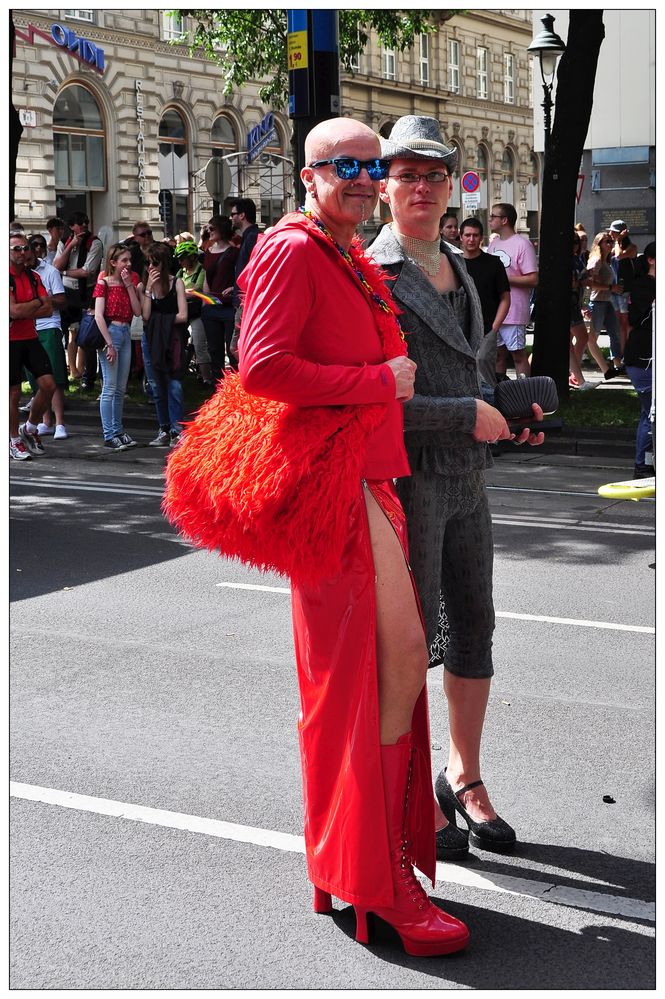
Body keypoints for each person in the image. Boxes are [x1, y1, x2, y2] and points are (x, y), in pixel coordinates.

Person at [237, 117, 469, 955]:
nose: (366, 177)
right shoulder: (293, 248)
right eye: (348, 165)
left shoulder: (333, 250)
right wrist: (376, 378)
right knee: (386, 668)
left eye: (374, 165)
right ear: (308, 175)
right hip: (335, 484)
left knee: (371, 676)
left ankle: (359, 867)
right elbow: (260, 366)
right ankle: (378, 880)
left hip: (364, 479)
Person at [369, 115, 543, 862]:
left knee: (475, 626)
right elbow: (372, 399)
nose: (420, 187)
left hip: (468, 478)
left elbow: (467, 372)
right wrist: (466, 414)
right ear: (383, 187)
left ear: (451, 186)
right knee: (410, 647)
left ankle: (461, 776)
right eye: (405, 174)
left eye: (433, 175)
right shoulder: (371, 273)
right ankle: (410, 790)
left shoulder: (460, 267)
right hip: (409, 484)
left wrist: (506, 411)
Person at [93, 243, 144, 451]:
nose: (128, 264)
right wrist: (109, 344)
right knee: (110, 387)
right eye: (124, 260)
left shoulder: (127, 283)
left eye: (129, 260)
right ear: (113, 262)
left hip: (125, 331)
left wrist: (128, 285)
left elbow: (138, 311)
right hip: (111, 332)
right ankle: (109, 434)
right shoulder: (103, 283)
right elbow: (98, 315)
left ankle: (118, 430)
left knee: (120, 388)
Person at [9, 231, 56, 460]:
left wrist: (28, 306)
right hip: (9, 341)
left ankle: (28, 428)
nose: (22, 253)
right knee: (13, 392)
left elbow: (48, 308)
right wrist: (35, 304)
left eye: (25, 248)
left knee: (49, 385)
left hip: (29, 337)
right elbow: (13, 311)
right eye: (16, 249)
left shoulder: (33, 277)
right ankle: (13, 440)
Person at [142, 242, 189, 447]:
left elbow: (183, 315)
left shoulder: (176, 283)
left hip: (173, 339)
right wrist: (148, 290)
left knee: (174, 385)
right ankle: (163, 428)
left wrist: (160, 320)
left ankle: (177, 430)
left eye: (155, 263)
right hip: (151, 340)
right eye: (147, 263)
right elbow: (144, 316)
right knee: (156, 386)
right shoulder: (146, 287)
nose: (150, 267)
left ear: (164, 263)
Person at [487, 203, 538, 378]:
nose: (490, 219)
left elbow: (533, 279)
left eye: (493, 216)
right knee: (498, 354)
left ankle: (525, 393)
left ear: (504, 220)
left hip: (514, 311)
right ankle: (499, 393)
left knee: (517, 354)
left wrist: (503, 279)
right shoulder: (493, 244)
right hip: (495, 311)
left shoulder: (522, 244)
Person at [53, 212, 104, 389]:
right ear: (72, 227)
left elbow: (87, 271)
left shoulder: (94, 242)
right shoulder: (65, 241)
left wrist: (65, 272)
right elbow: (56, 266)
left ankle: (88, 378)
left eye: (85, 223)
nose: (83, 226)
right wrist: (71, 246)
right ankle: (63, 377)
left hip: (86, 292)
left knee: (87, 335)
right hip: (66, 292)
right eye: (79, 224)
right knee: (64, 333)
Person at [458, 217, 510, 388]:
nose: (471, 239)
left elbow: (505, 298)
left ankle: (492, 409)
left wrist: (494, 328)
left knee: (484, 374)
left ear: (481, 238)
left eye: (475, 235)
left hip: (487, 329)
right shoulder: (453, 263)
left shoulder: (494, 264)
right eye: (467, 235)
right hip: (459, 329)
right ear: (461, 237)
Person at [25, 235, 70, 437]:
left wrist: (42, 301)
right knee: (36, 378)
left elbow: (61, 299)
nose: (33, 250)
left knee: (55, 375)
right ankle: (45, 421)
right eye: (29, 246)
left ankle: (59, 423)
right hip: (27, 328)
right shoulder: (17, 274)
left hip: (48, 326)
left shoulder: (50, 271)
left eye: (37, 246)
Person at [624, 241, 655, 478]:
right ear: (652, 261)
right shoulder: (644, 286)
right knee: (651, 412)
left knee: (650, 413)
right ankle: (643, 465)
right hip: (643, 359)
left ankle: (646, 464)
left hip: (647, 357)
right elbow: (639, 319)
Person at [200, 215, 238, 379]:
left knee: (232, 349)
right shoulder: (208, 252)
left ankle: (235, 389)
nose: (209, 231)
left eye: (212, 228)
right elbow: (207, 279)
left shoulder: (234, 252)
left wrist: (234, 288)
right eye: (208, 228)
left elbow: (242, 276)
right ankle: (216, 389)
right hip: (211, 307)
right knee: (214, 350)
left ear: (222, 229)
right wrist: (205, 304)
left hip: (229, 307)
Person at [174, 239, 212, 386]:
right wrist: (187, 292)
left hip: (196, 313)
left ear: (192, 257)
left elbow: (198, 290)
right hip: (183, 311)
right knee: (180, 342)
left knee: (199, 343)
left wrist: (183, 292)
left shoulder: (201, 271)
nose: (180, 262)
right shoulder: (180, 272)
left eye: (182, 258)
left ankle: (207, 379)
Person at [586, 232, 624, 377]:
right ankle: (600, 367)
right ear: (599, 244)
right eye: (606, 241)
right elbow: (590, 284)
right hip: (596, 303)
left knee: (615, 332)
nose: (610, 244)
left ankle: (617, 364)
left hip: (606, 302)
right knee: (591, 337)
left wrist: (619, 238)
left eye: (611, 241)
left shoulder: (606, 261)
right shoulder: (596, 261)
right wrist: (610, 288)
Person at [568, 230, 596, 391]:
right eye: (573, 242)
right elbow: (574, 283)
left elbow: (581, 281)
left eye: (577, 242)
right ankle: (578, 378)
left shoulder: (577, 259)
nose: (575, 245)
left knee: (577, 340)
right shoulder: (569, 260)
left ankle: (576, 377)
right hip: (568, 305)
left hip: (574, 304)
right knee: (579, 338)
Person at [608, 219, 638, 354]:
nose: (610, 234)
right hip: (614, 289)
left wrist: (618, 240)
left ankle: (629, 352)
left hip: (625, 290)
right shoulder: (615, 246)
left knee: (626, 323)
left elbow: (619, 256)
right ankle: (622, 354)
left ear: (621, 233)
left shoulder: (631, 247)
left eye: (613, 232)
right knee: (619, 322)